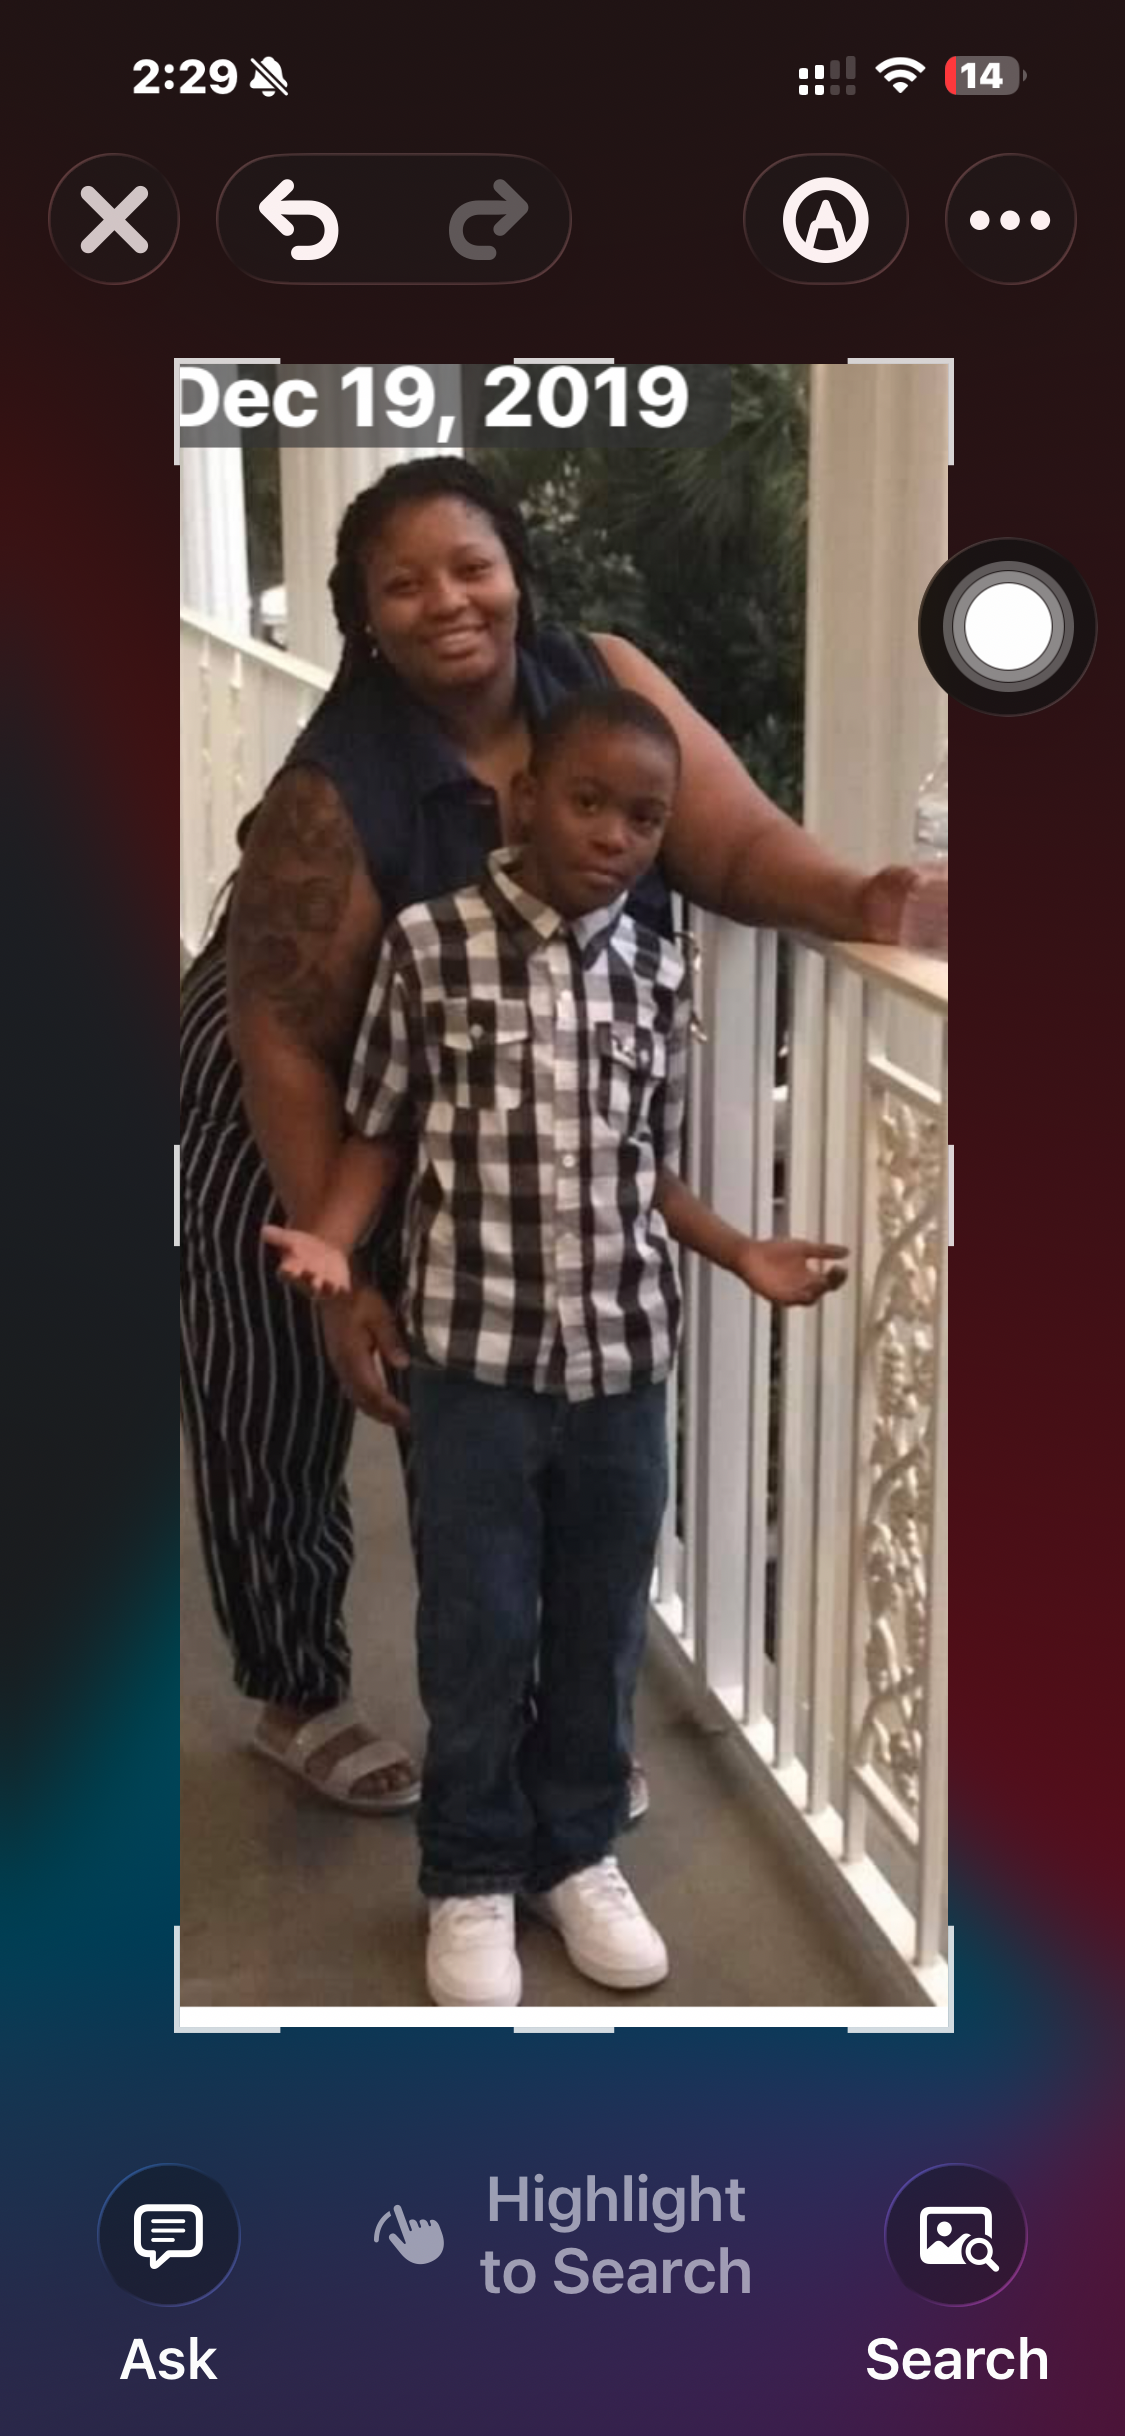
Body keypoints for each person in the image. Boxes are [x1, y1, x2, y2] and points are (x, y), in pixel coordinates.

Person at [180, 454, 941, 1824]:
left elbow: (730, 844)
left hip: (483, 1079)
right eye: (402, 585)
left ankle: (544, 1727)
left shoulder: (601, 679)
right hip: (287, 1066)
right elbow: (285, 1034)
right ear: (363, 614)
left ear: (518, 573)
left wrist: (862, 897)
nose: (446, 602)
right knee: (279, 1383)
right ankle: (297, 1691)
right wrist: (342, 1274)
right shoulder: (332, 790)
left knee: (479, 1398)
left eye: (470, 567)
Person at [263, 690, 848, 2005]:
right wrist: (337, 1245)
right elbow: (381, 1129)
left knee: (600, 1625)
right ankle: (470, 1869)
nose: (616, 837)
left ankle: (573, 1853)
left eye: (645, 819)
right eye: (589, 803)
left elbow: (644, 1165)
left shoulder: (656, 965)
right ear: (524, 801)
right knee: (478, 1626)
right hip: (476, 1366)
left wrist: (741, 1251)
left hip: (623, 1363)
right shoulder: (431, 945)